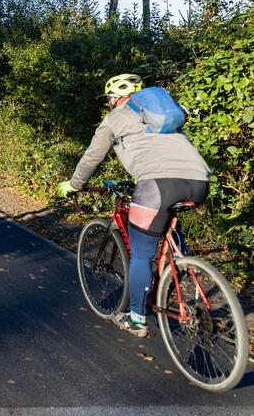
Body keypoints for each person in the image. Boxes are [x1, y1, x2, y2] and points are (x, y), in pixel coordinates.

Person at [57, 73, 210, 337]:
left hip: (158, 185)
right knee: (168, 222)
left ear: (115, 98)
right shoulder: (161, 115)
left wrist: (75, 184)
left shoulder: (114, 119)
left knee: (141, 254)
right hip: (199, 180)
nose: (109, 102)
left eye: (109, 98)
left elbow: (93, 156)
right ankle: (177, 265)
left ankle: (136, 319)